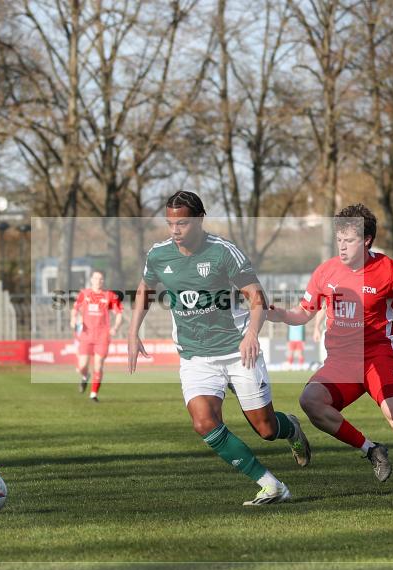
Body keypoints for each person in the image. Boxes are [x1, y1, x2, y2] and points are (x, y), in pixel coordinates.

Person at [267, 204, 393, 499]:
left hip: (378, 355)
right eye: (339, 240)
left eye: (349, 240)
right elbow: (304, 312)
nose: (342, 246)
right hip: (342, 362)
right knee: (310, 401)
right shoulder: (326, 271)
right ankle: (371, 450)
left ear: (367, 240)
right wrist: (279, 314)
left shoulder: (389, 271)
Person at [128, 190, 310, 506]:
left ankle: (291, 428)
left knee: (266, 429)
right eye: (170, 223)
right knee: (203, 422)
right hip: (195, 355)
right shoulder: (158, 255)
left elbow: (257, 297)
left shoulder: (225, 253)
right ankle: (271, 485)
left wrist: (252, 333)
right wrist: (133, 332)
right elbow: (145, 289)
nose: (175, 230)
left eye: (182, 223)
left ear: (199, 219)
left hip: (239, 350)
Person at [71, 270, 123, 402]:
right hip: (86, 334)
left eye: (100, 278)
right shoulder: (84, 294)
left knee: (98, 365)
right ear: (91, 280)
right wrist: (73, 319)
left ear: (103, 281)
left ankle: (93, 394)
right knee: (82, 366)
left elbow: (119, 313)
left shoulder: (109, 295)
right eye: (95, 278)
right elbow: (75, 309)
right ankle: (84, 377)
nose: (98, 281)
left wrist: (115, 327)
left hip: (102, 336)